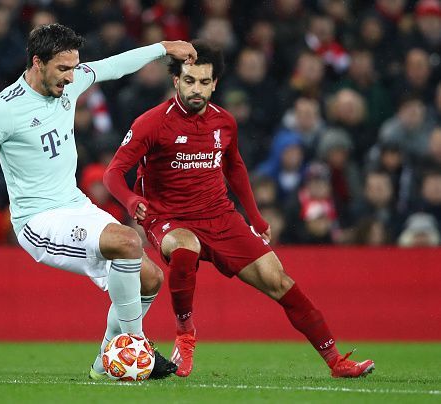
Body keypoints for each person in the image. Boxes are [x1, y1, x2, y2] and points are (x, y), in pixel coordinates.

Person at [0, 23, 197, 380]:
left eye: (74, 67)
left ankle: (101, 367)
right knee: (127, 241)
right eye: (63, 69)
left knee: (150, 278)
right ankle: (136, 345)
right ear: (37, 62)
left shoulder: (70, 82)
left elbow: (113, 65)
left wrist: (163, 47)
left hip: (74, 205)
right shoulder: (3, 109)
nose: (70, 77)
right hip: (38, 221)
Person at [103, 40, 375, 378]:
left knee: (280, 281)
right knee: (185, 249)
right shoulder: (151, 123)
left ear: (215, 83)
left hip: (220, 216)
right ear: (176, 81)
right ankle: (185, 334)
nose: (197, 89)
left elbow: (235, 168)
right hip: (170, 218)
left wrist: (255, 217)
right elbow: (112, 173)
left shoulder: (225, 122)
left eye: (204, 82)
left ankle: (336, 361)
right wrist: (131, 200)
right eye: (189, 81)